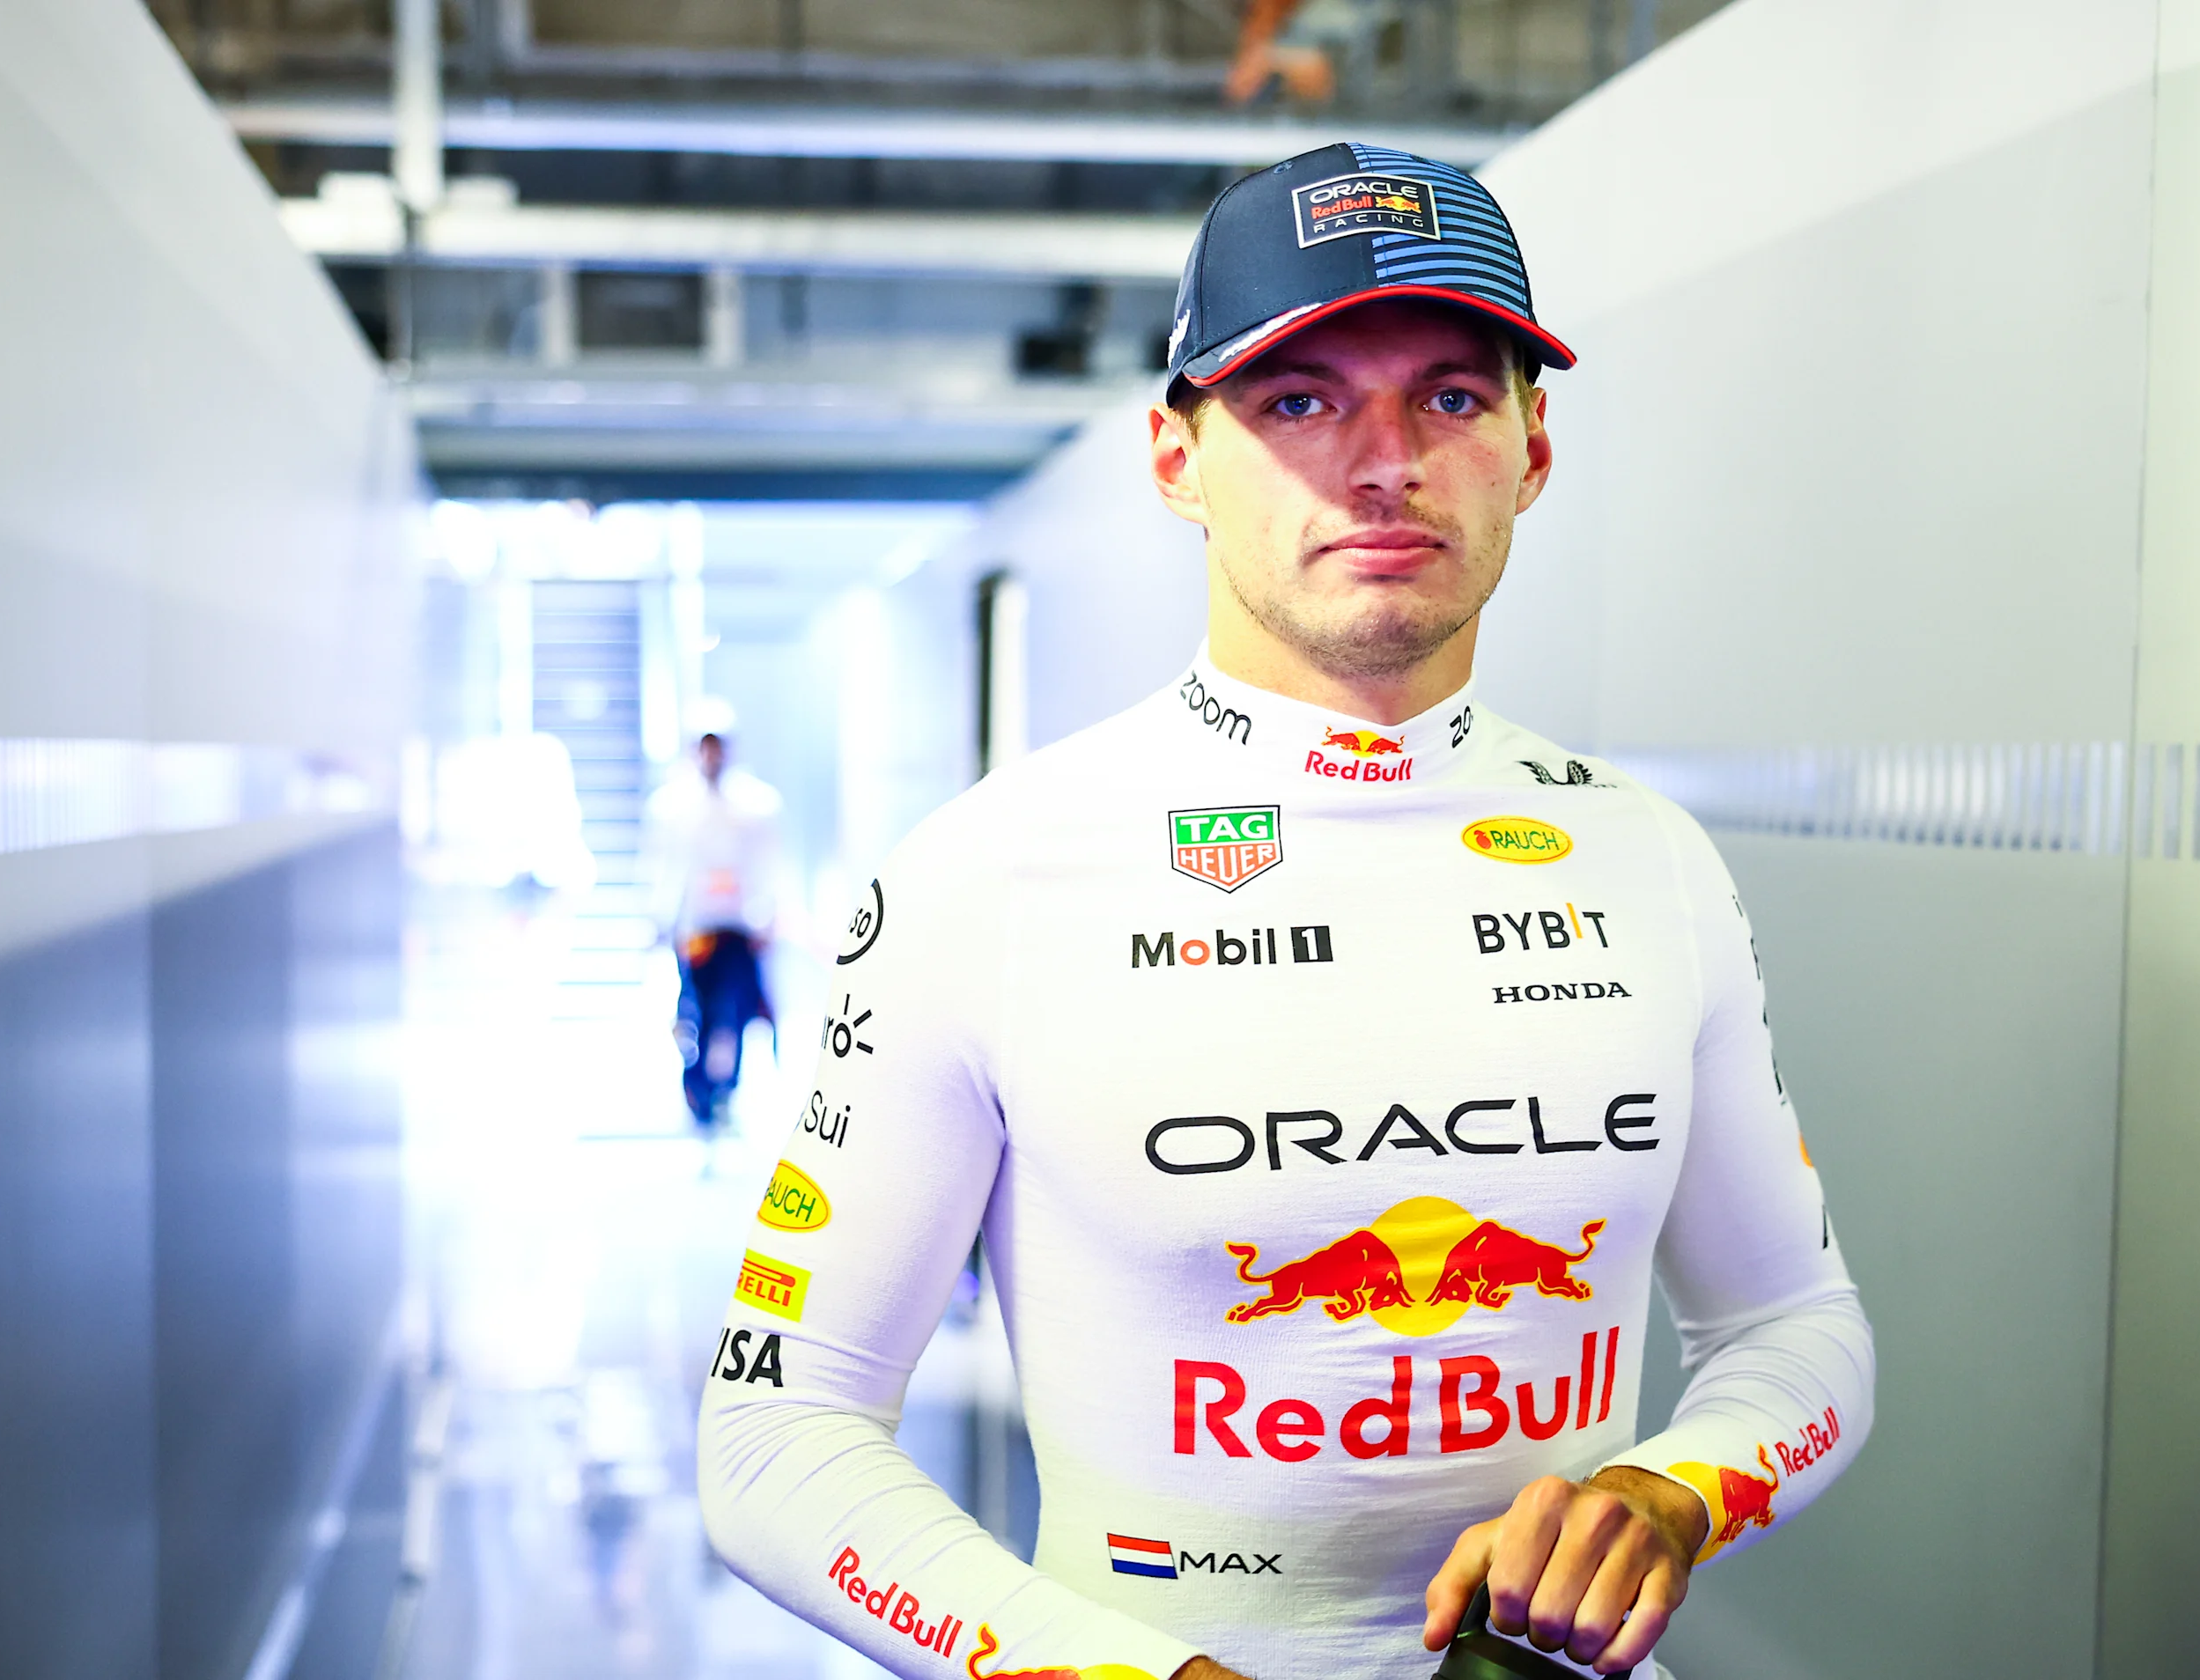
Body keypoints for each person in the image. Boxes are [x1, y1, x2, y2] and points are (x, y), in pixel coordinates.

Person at [700, 144, 1872, 1680]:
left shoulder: (1647, 859)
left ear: (1531, 449)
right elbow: (777, 1432)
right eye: (1299, 401)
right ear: (1174, 456)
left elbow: (1797, 1328)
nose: (1382, 460)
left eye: (1451, 396)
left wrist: (1666, 1490)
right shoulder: (982, 874)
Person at [647, 730, 783, 1132]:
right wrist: (661, 921)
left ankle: (728, 1086)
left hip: (739, 930)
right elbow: (664, 867)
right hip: (696, 931)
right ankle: (699, 1088)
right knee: (697, 1012)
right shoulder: (674, 808)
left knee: (737, 1011)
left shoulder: (755, 806)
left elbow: (768, 866)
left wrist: (766, 917)